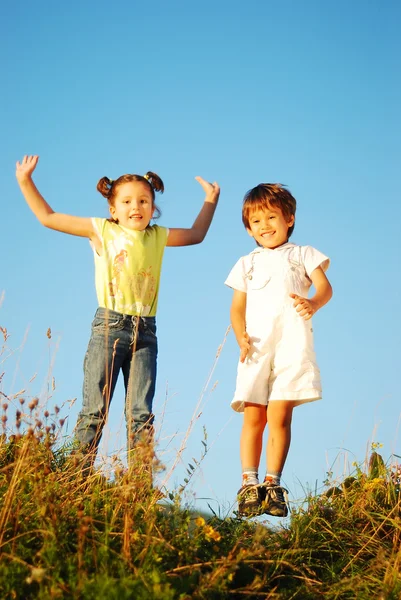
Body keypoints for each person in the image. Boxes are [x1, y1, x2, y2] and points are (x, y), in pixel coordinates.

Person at [16, 155, 220, 475]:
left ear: (153, 207)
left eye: (143, 200)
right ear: (113, 209)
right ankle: (75, 478)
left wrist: (210, 200)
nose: (135, 206)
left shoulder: (157, 236)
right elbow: (48, 217)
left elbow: (196, 234)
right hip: (109, 328)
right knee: (94, 411)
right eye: (126, 201)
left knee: (141, 414)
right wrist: (25, 180)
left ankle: (137, 490)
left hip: (146, 334)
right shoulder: (101, 230)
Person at [225, 183, 332, 517]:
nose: (265, 225)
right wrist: (240, 336)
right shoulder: (247, 263)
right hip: (256, 348)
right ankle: (248, 484)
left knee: (280, 415)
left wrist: (313, 302)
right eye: (257, 221)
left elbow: (325, 287)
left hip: (292, 345)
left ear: (289, 219)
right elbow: (236, 309)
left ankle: (272, 485)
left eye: (272, 217)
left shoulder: (302, 254)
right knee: (254, 415)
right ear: (248, 228)